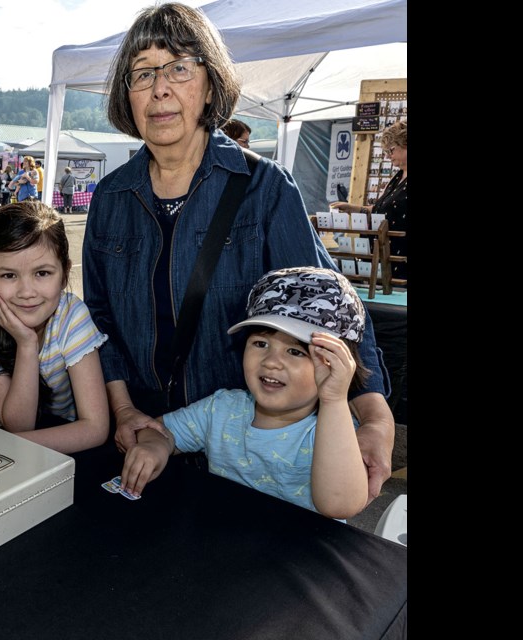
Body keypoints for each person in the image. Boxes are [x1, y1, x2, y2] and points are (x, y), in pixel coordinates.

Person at [82, 2, 395, 503]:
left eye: (179, 67)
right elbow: (100, 318)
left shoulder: (265, 187)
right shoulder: (111, 197)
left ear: (210, 84)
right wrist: (122, 412)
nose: (159, 88)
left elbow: (331, 305)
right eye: (142, 74)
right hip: (145, 435)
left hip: (244, 447)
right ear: (127, 94)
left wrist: (376, 416)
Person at [120, 267, 369, 520]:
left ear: (335, 365)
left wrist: (334, 400)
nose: (271, 362)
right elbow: (160, 429)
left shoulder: (334, 428)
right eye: (261, 344)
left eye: (296, 352)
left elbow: (340, 505)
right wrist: (154, 446)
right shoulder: (221, 409)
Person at [0, 201, 110, 453]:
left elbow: (95, 428)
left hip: (63, 443)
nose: (27, 292)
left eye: (42, 273)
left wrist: (1, 443)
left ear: (64, 274)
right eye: (9, 275)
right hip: (24, 439)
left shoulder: (71, 316)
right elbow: (20, 424)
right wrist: (27, 344)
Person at [330, 119, 407, 283]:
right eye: (386, 151)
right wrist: (354, 208)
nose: (388, 156)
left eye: (391, 150)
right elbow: (383, 210)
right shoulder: (398, 177)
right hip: (384, 258)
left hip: (401, 262)